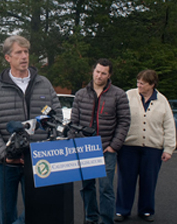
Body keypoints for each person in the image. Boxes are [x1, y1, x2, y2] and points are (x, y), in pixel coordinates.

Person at [0, 35, 62, 224]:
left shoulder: (44, 84)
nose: (24, 56)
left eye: (26, 52)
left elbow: (57, 117)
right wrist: (4, 153)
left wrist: (48, 146)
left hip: (38, 161)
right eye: (19, 52)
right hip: (6, 163)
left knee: (37, 210)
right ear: (8, 57)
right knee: (6, 214)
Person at [71, 58, 130, 224]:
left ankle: (106, 220)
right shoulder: (81, 94)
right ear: (93, 71)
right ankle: (91, 218)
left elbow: (124, 121)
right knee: (87, 187)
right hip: (85, 148)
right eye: (97, 71)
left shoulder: (118, 95)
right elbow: (74, 122)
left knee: (106, 188)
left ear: (109, 75)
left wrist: (113, 146)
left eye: (103, 73)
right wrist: (77, 142)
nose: (99, 75)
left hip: (106, 149)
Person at [114, 69, 176, 223]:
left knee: (149, 181)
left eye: (142, 83)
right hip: (128, 146)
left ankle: (146, 210)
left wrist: (169, 149)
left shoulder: (162, 101)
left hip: (153, 148)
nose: (139, 85)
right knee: (125, 180)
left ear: (152, 85)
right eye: (138, 82)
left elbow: (169, 125)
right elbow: (118, 117)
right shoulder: (129, 95)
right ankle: (122, 210)